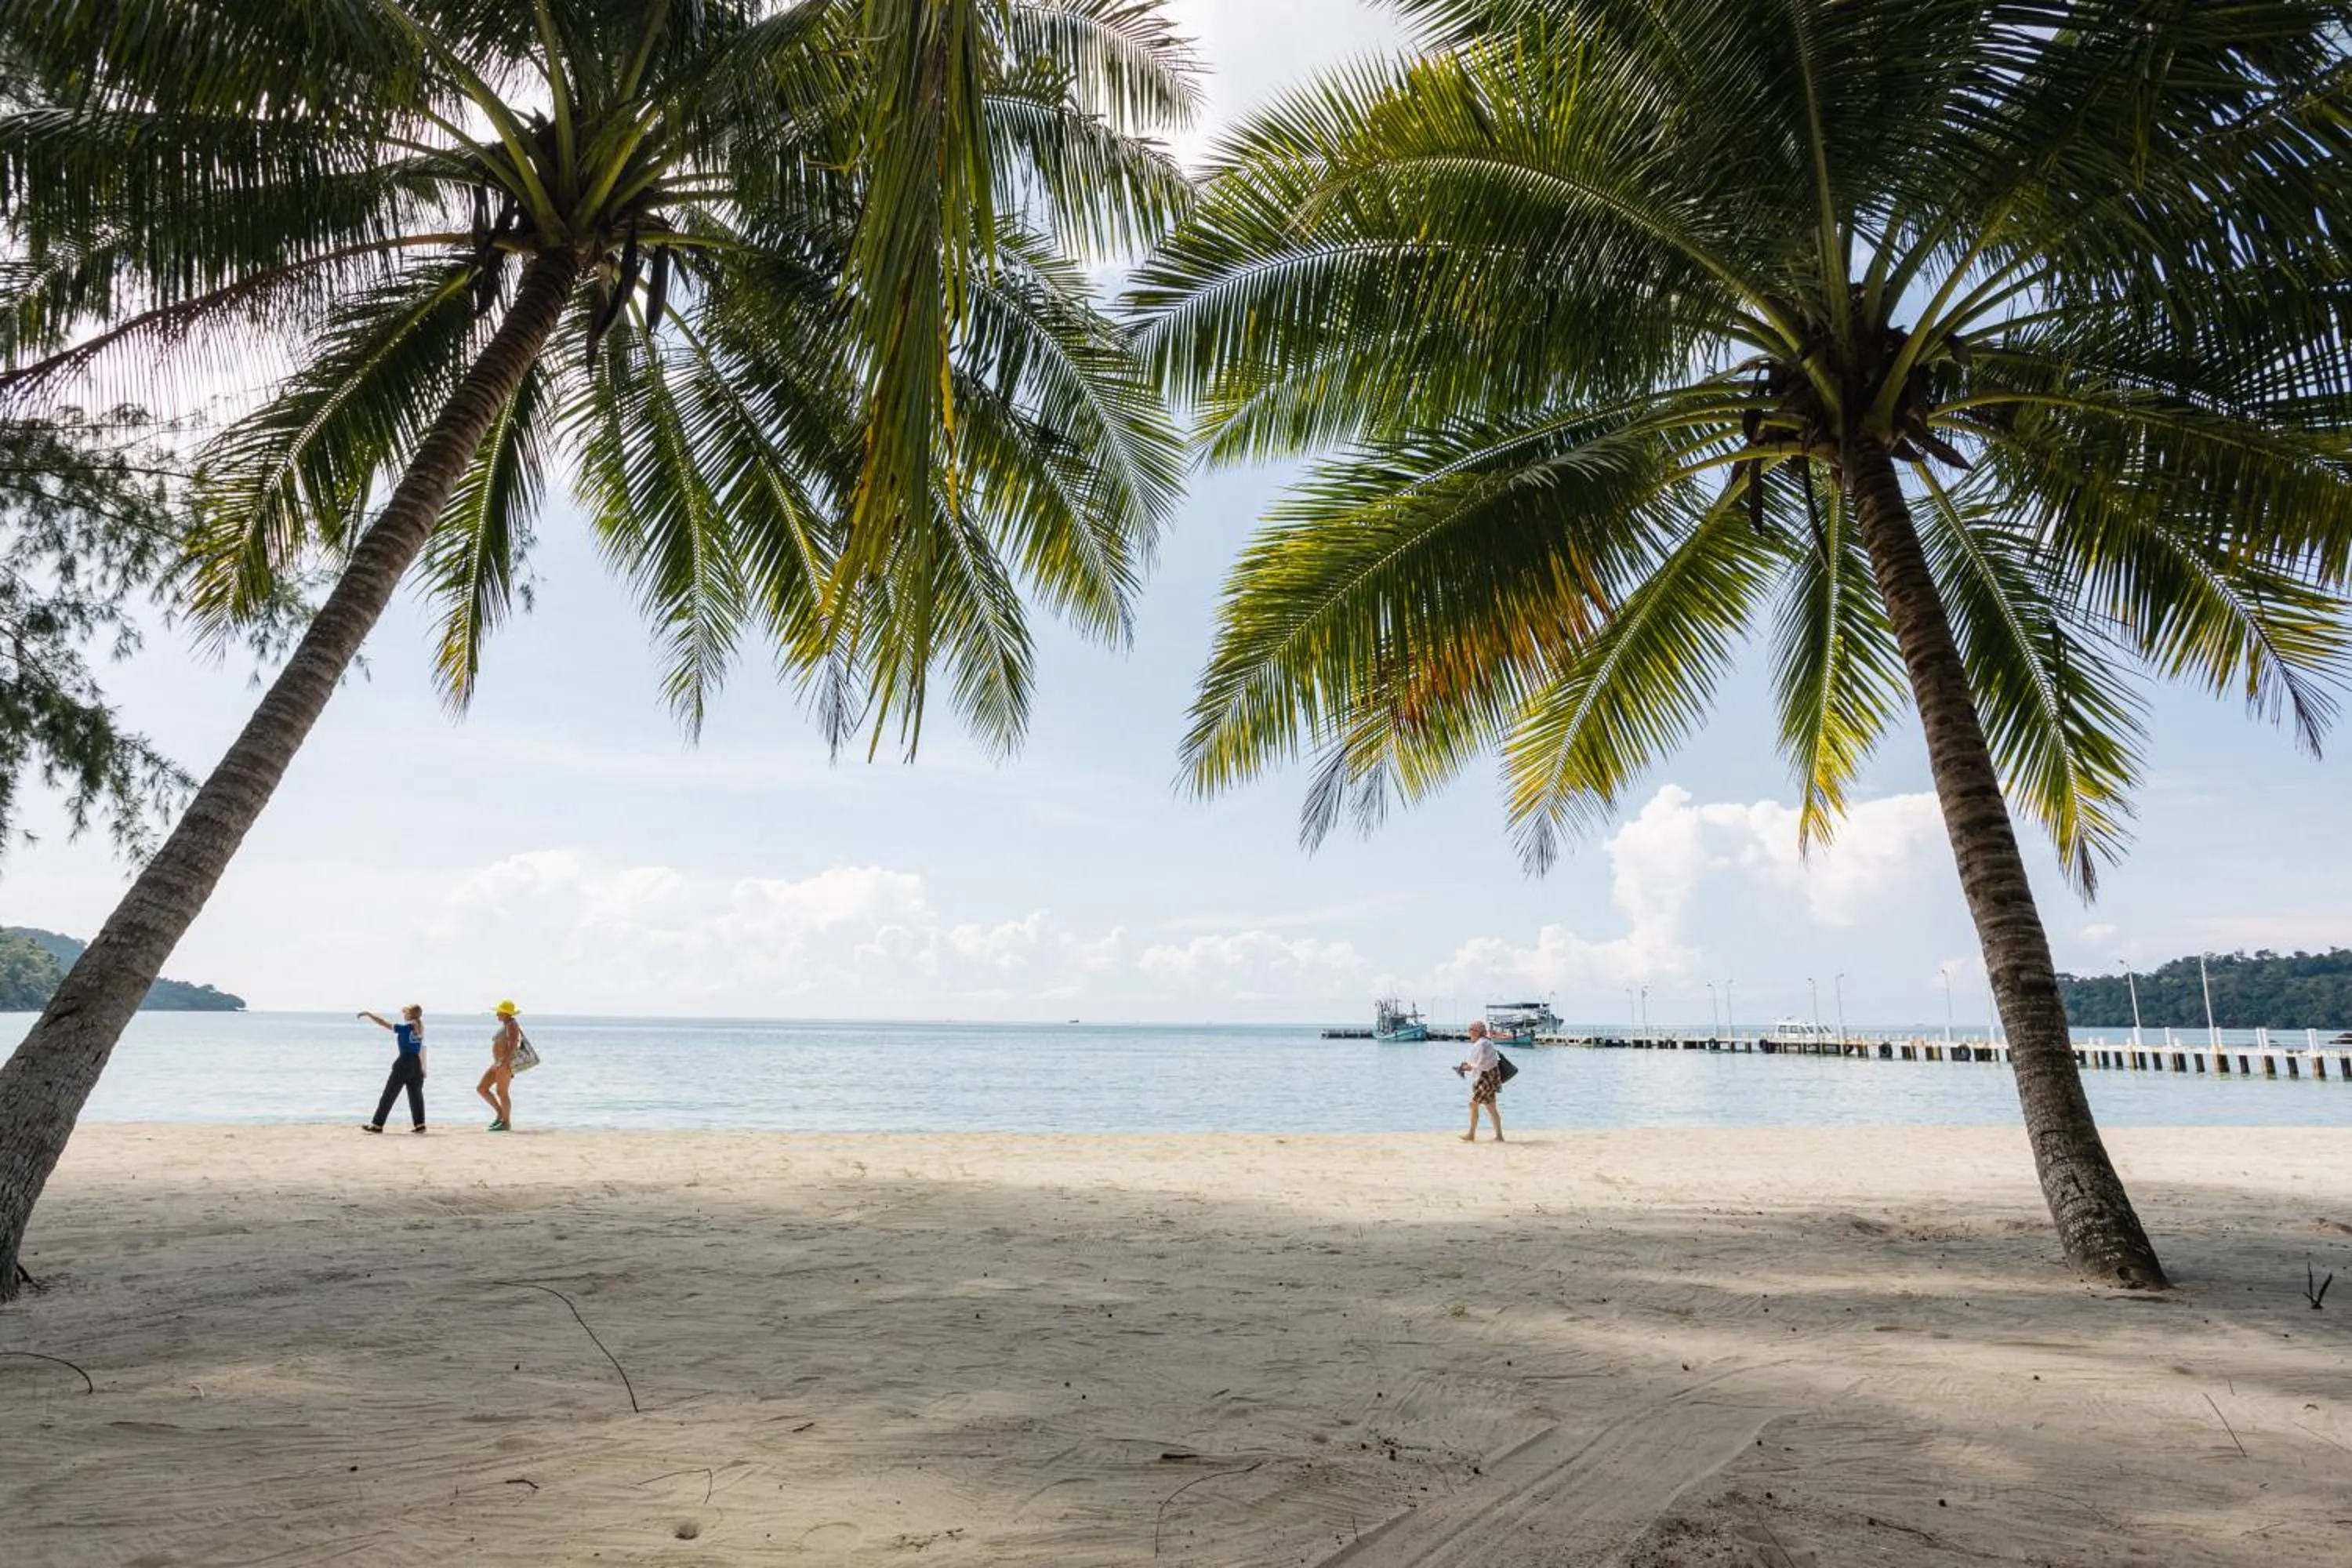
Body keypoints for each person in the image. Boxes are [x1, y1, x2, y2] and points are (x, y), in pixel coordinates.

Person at [358, 1004, 427, 1134]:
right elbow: (423, 1048)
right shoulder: (421, 1028)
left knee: (389, 1094)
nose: (404, 1015)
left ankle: (377, 1125)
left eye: (405, 1013)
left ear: (409, 1015)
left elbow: (383, 1023)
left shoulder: (406, 1028)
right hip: (417, 1064)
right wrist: (423, 1068)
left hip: (404, 1062)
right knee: (416, 1096)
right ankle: (420, 1125)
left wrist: (369, 1014)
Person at [1453, 1020, 1505, 1142]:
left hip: (1486, 1077)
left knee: (1473, 1104)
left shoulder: (1481, 1044)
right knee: (1491, 1107)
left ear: (1478, 1032)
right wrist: (1467, 1066)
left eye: (1472, 1030)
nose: (1470, 1032)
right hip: (1490, 1076)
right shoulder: (1485, 1042)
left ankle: (1472, 1135)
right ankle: (1499, 1136)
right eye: (1469, 1030)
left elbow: (1479, 1064)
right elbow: (1481, 1062)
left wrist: (1464, 1067)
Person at [477, 1000, 521, 1131]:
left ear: (506, 1013)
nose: (497, 1014)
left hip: (504, 1064)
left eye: (499, 1012)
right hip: (497, 1063)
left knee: (502, 1093)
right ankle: (501, 1114)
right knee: (482, 1088)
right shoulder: (506, 1024)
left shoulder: (512, 1025)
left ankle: (506, 1123)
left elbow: (514, 1045)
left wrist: (505, 1063)